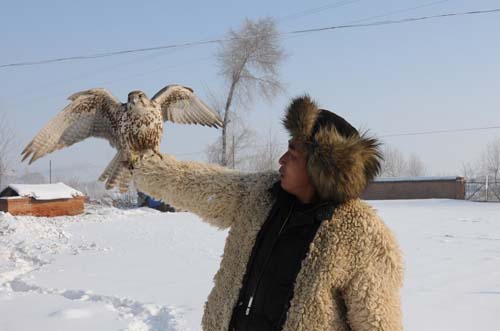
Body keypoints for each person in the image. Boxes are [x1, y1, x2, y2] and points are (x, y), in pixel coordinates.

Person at [132, 95, 403, 331]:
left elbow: (378, 323)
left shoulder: (362, 234)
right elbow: (199, 184)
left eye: (292, 153)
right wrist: (143, 167)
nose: (281, 160)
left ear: (321, 168)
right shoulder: (261, 193)